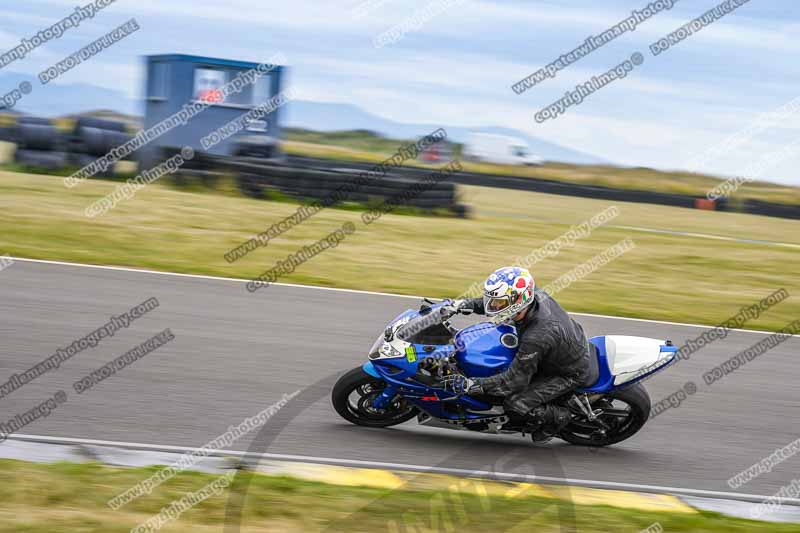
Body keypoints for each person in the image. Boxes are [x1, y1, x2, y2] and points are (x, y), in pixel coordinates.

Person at [440, 266, 591, 441]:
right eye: (494, 300)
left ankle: (558, 418)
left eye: (500, 302)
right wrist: (462, 305)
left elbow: (514, 381)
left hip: (569, 372)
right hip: (561, 345)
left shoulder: (537, 336)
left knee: (514, 404)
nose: (494, 305)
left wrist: (470, 385)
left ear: (518, 302)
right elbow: (494, 304)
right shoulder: (528, 297)